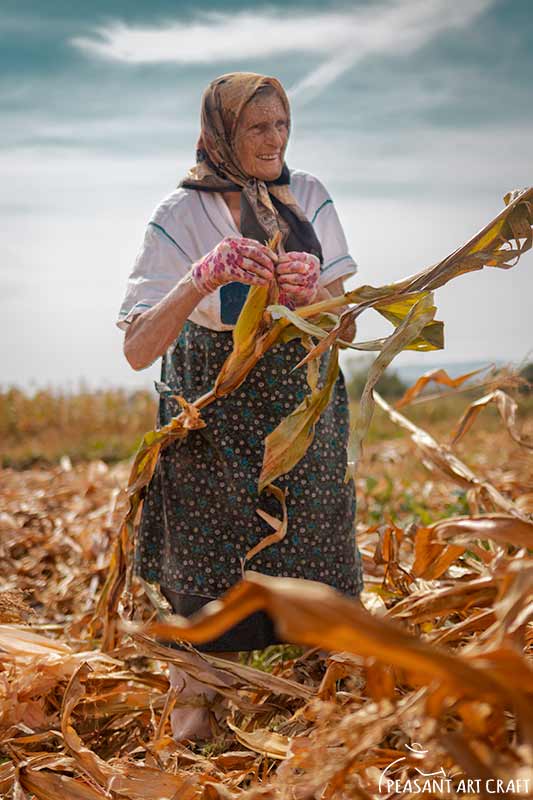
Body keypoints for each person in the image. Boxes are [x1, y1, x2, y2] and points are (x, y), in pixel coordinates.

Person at [116, 72, 364, 742]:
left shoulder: (308, 196)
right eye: (257, 127)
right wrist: (203, 276)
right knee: (209, 563)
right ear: (222, 132)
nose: (273, 140)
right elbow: (138, 348)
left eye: (281, 124)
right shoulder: (177, 215)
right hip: (210, 414)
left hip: (298, 414)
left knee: (315, 547)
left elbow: (346, 327)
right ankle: (197, 732)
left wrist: (314, 296)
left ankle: (336, 726)